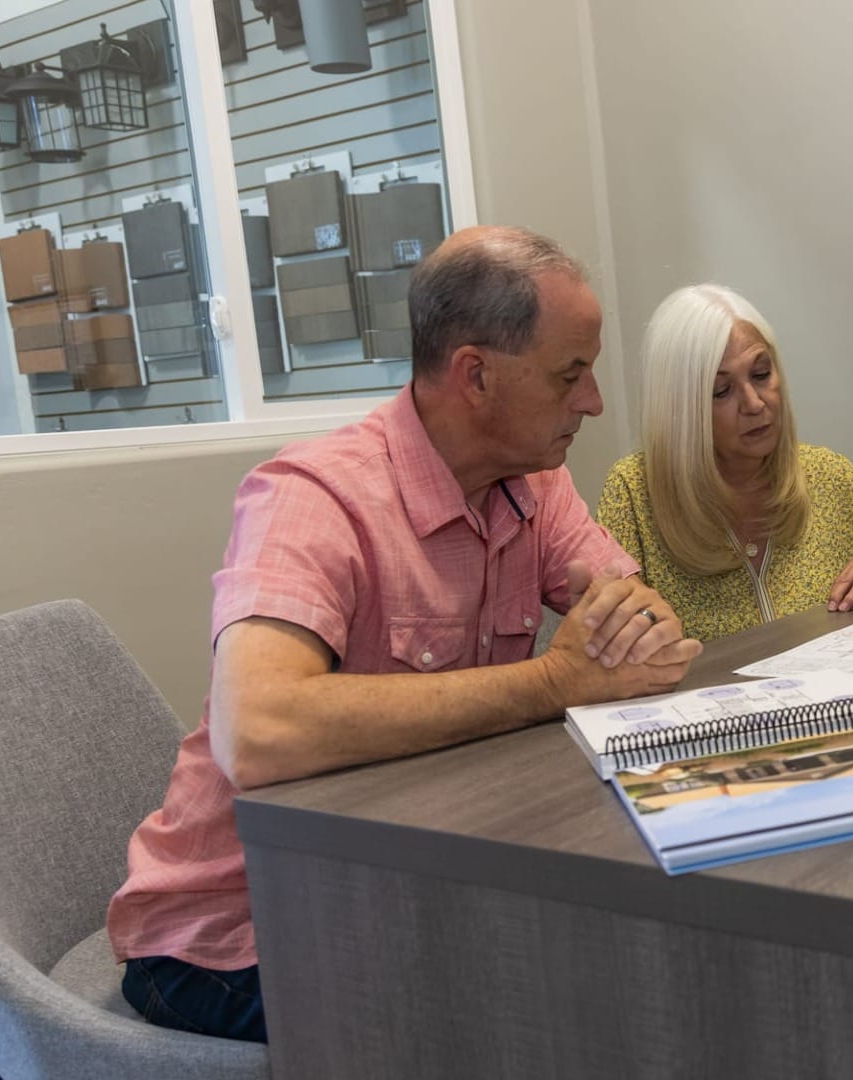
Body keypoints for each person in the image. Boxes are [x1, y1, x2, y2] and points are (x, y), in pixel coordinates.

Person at [106, 227, 702, 1043]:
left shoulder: (534, 481)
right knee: (543, 1018)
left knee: (619, 964)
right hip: (235, 936)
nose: (593, 401)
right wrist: (554, 683)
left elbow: (636, 619)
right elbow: (258, 731)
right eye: (572, 375)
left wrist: (636, 623)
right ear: (476, 375)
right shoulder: (312, 497)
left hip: (403, 886)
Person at [597, 284, 853, 640]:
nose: (754, 403)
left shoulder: (823, 474)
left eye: (762, 374)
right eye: (722, 390)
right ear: (680, 406)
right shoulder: (635, 492)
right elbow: (612, 639)